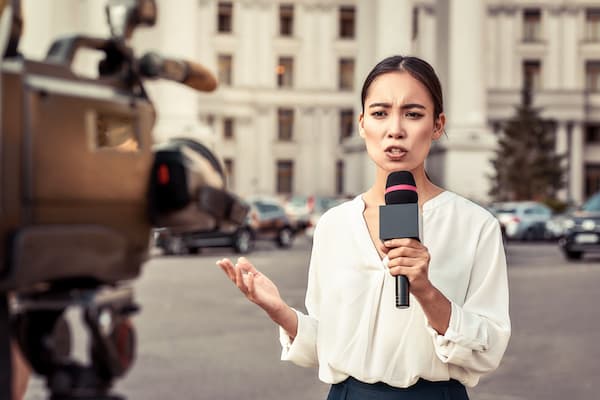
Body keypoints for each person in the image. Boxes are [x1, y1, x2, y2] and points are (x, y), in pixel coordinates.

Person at [217, 55, 510, 399]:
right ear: (361, 124)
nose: (395, 129)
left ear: (437, 125)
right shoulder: (334, 225)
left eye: (413, 114)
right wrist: (280, 311)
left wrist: (425, 290)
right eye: (380, 113)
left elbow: (488, 349)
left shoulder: (475, 226)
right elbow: (328, 344)